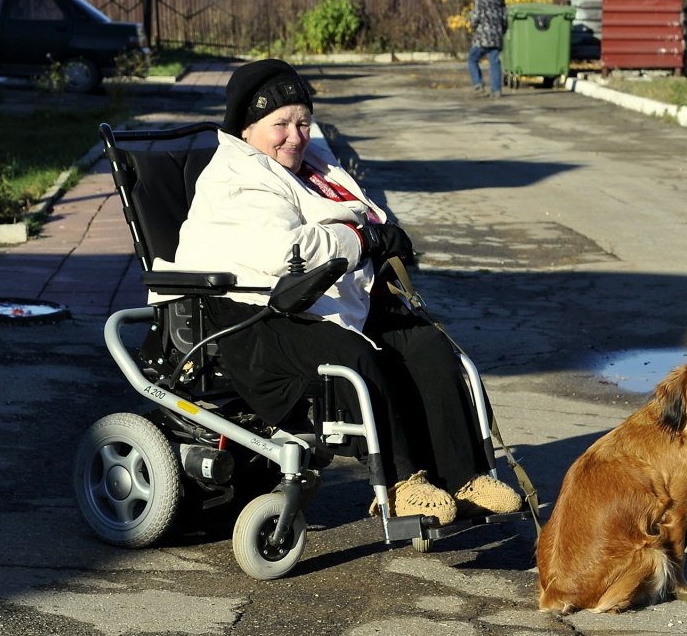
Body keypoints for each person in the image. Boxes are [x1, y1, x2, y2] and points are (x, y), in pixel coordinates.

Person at [165, 59, 522, 526]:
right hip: (247, 315)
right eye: (281, 124)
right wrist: (362, 241)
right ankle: (401, 484)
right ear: (248, 128)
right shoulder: (236, 178)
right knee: (354, 358)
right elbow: (285, 251)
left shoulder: (312, 165)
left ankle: (465, 476)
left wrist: (384, 233)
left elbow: (361, 213)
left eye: (303, 123)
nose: (295, 136)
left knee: (425, 343)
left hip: (318, 301)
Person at [467, 0, 508, 98]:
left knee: (472, 59)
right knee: (494, 62)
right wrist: (500, 32)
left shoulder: (479, 1)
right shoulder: (500, 2)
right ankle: (496, 90)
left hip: (481, 38)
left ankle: (478, 84)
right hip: (496, 38)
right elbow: (505, 21)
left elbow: (474, 19)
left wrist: (473, 27)